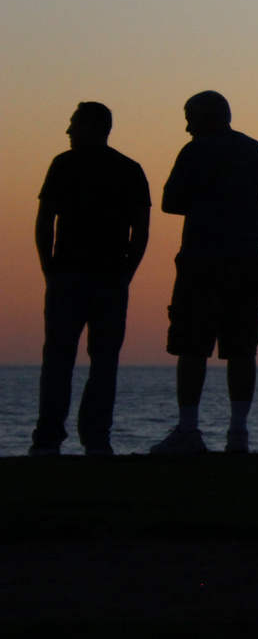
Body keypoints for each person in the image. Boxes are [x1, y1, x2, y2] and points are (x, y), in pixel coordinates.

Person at [149, 91, 258, 455]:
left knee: (192, 344)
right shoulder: (254, 149)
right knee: (242, 348)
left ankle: (188, 430)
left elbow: (170, 202)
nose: (186, 127)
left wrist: (203, 200)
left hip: (204, 258)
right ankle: (238, 434)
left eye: (190, 117)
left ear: (207, 116)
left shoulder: (196, 151)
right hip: (249, 257)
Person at [30, 102, 150, 456]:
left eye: (73, 124)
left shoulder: (63, 165)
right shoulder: (130, 169)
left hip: (68, 274)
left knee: (58, 359)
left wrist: (48, 266)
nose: (68, 131)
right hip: (110, 277)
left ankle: (49, 440)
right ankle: (96, 439)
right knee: (104, 361)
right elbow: (140, 231)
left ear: (89, 127)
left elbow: (44, 220)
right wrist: (127, 271)